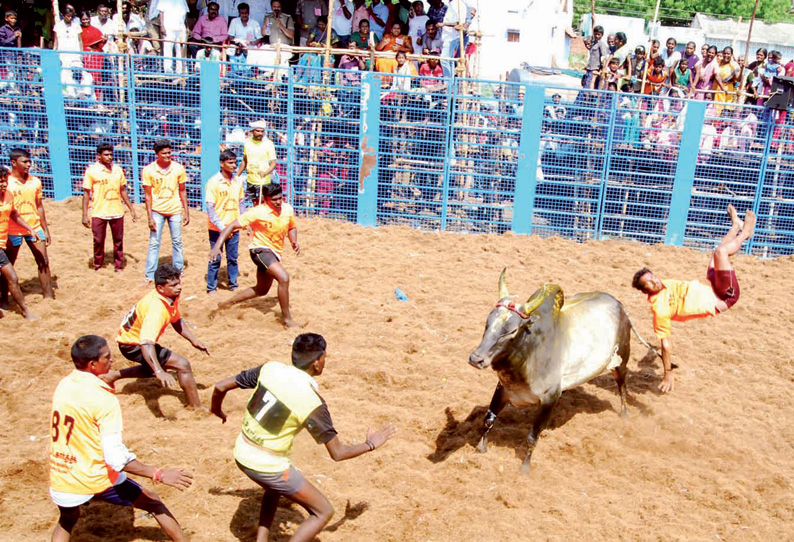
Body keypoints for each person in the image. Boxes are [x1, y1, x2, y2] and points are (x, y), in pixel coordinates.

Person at [210, 332, 397, 542]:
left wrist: (217, 410)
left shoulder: (270, 369)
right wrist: (371, 443)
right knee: (323, 511)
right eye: (325, 357)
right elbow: (337, 453)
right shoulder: (312, 402)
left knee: (274, 488)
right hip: (266, 465)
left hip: (241, 451)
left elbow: (220, 386)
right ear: (317, 363)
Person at [49, 335, 193, 542]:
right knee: (153, 502)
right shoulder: (103, 399)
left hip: (61, 476)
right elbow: (116, 458)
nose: (112, 359)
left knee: (68, 519)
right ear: (93, 364)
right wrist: (158, 474)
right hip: (92, 476)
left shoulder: (64, 385)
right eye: (107, 357)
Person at [632, 205, 756, 394]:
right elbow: (665, 344)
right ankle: (745, 233)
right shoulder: (660, 308)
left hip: (712, 284)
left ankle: (735, 226)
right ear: (644, 291)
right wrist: (667, 373)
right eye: (648, 282)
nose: (654, 280)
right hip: (724, 296)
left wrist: (650, 355)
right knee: (721, 253)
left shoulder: (662, 284)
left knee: (718, 253)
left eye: (653, 276)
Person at [104, 264, 209, 409]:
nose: (179, 287)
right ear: (160, 288)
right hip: (132, 345)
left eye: (179, 283)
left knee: (157, 367)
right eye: (173, 285)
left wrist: (193, 340)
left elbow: (176, 319)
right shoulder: (156, 310)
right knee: (182, 365)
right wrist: (159, 371)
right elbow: (146, 344)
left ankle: (113, 375)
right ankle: (197, 408)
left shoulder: (169, 296)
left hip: (132, 340)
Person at [210, 182, 301, 328]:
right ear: (265, 199)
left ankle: (227, 303)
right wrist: (217, 247)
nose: (278, 202)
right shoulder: (257, 212)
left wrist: (293, 241)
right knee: (284, 278)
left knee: (262, 290)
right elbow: (232, 225)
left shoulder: (287, 209)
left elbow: (291, 226)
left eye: (280, 198)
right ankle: (287, 319)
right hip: (259, 250)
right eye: (274, 199)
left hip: (274, 253)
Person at [0, 149, 54, 310]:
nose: (29, 164)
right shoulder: (5, 182)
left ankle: (48, 296)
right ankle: (4, 299)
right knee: (8, 266)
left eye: (29, 161)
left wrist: (45, 229)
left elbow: (40, 206)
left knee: (43, 261)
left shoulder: (35, 181)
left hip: (34, 226)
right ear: (14, 162)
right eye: (25, 161)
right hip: (11, 230)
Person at [82, 142, 138, 272]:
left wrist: (131, 208)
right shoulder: (91, 171)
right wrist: (85, 214)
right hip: (99, 211)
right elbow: (86, 193)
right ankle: (98, 265)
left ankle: (118, 266)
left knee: (118, 241)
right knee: (98, 241)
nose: (109, 157)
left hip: (116, 210)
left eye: (111, 154)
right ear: (99, 156)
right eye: (106, 154)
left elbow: (122, 190)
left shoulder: (118, 170)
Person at [142, 139, 189, 283]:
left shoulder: (178, 168)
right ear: (157, 154)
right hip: (157, 211)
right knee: (154, 242)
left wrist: (186, 211)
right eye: (164, 153)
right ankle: (150, 274)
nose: (168, 155)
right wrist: (149, 216)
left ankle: (178, 271)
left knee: (177, 241)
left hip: (174, 210)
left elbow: (182, 191)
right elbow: (148, 195)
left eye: (169, 152)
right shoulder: (149, 170)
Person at [0, 166, 38, 320]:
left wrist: (30, 229)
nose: (3, 184)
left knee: (12, 278)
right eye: (0, 182)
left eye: (4, 181)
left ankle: (25, 311)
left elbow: (14, 214)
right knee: (12, 277)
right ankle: (25, 311)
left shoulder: (8, 195)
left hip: (2, 244)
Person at [206, 149, 244, 294]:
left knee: (233, 258)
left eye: (235, 163)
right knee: (215, 257)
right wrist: (222, 227)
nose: (234, 166)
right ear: (222, 164)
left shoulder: (238, 181)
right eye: (230, 163)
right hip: (217, 228)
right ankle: (211, 287)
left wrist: (243, 221)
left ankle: (233, 284)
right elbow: (210, 208)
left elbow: (241, 203)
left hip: (233, 227)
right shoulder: (214, 182)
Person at [238, 120, 277, 201]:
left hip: (263, 181)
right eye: (258, 131)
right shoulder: (247, 143)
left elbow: (273, 163)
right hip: (251, 180)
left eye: (262, 131)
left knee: (263, 203)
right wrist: (237, 175)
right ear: (253, 131)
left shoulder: (268, 144)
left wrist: (265, 173)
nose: (260, 133)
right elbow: (245, 160)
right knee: (255, 202)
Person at [583, 25, 608, 90]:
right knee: (586, 85)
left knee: (589, 87)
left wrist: (603, 69)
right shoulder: (593, 43)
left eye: (599, 34)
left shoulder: (601, 44)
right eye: (595, 34)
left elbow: (604, 58)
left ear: (602, 35)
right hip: (589, 68)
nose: (597, 36)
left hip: (595, 69)